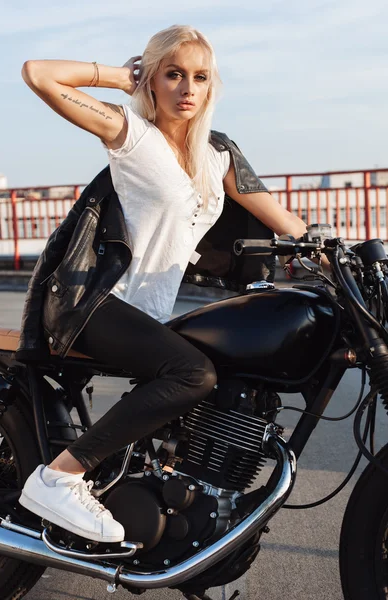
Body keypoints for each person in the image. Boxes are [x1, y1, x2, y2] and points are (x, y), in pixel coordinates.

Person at [18, 25, 310, 544]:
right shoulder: (132, 134)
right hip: (96, 303)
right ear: (152, 81)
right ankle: (60, 475)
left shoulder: (216, 157)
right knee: (192, 373)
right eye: (173, 75)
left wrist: (344, 259)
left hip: (148, 314)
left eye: (199, 77)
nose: (186, 88)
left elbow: (286, 222)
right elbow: (38, 75)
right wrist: (116, 76)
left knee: (227, 370)